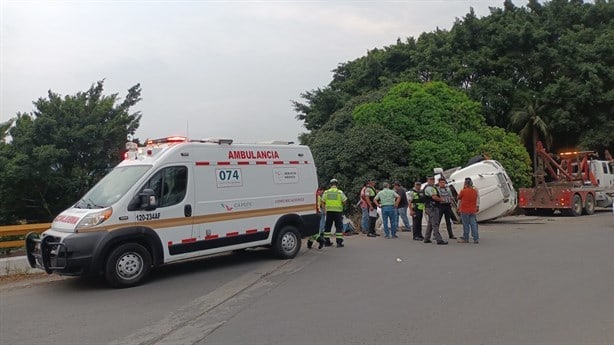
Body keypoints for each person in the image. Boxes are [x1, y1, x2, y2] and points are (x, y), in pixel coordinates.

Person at [320, 179, 348, 248]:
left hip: (329, 212)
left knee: (327, 226)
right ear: (337, 184)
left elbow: (322, 202)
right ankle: (339, 243)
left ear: (330, 184)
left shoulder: (326, 192)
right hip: (338, 212)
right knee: (338, 227)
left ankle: (327, 242)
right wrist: (341, 204)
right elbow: (345, 201)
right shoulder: (339, 192)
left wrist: (324, 210)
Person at [423, 176, 448, 245]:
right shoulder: (430, 188)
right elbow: (434, 197)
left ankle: (427, 238)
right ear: (427, 180)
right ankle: (439, 239)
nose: (432, 181)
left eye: (433, 179)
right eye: (430, 179)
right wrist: (442, 200)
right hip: (433, 208)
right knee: (435, 224)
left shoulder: (429, 187)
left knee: (430, 224)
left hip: (429, 207)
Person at [457, 177, 480, 244]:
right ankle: (476, 238)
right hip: (472, 210)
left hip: (464, 210)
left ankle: (465, 238)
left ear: (465, 184)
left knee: (466, 225)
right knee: (473, 224)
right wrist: (477, 206)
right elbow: (477, 198)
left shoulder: (463, 191)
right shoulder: (475, 191)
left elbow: (458, 197)